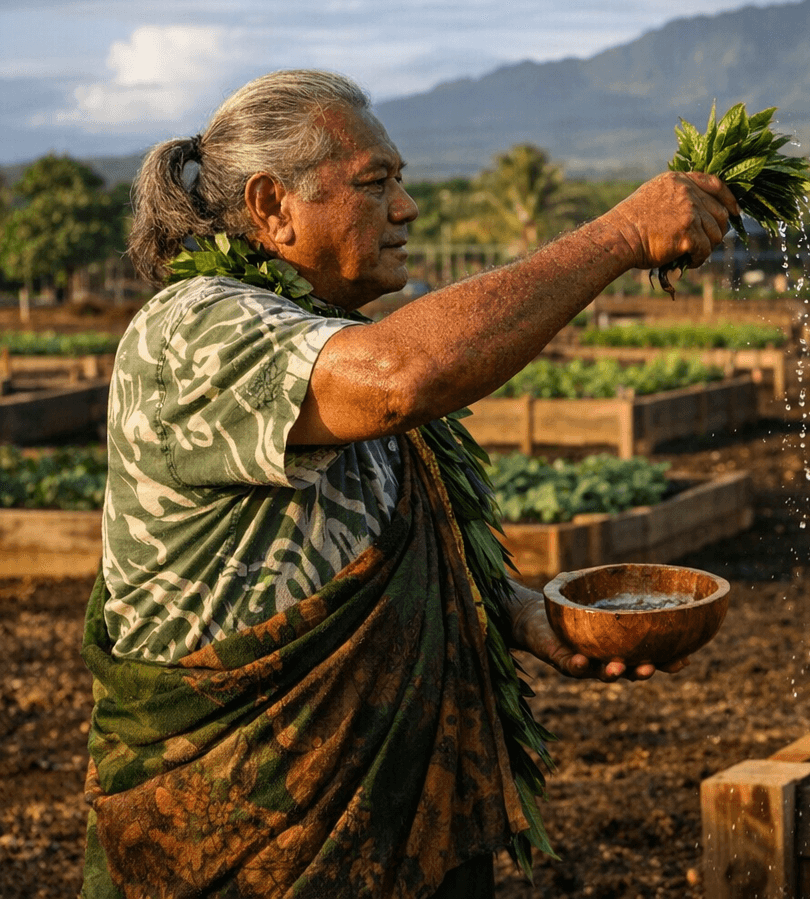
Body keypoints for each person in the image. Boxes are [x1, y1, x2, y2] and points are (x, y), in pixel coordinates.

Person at [84, 70, 735, 898]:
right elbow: (404, 374)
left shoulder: (323, 337)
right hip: (251, 832)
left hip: (388, 833)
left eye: (403, 182)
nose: (406, 208)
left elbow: (351, 536)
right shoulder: (192, 329)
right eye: (375, 183)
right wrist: (617, 237)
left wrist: (519, 614)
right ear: (271, 206)